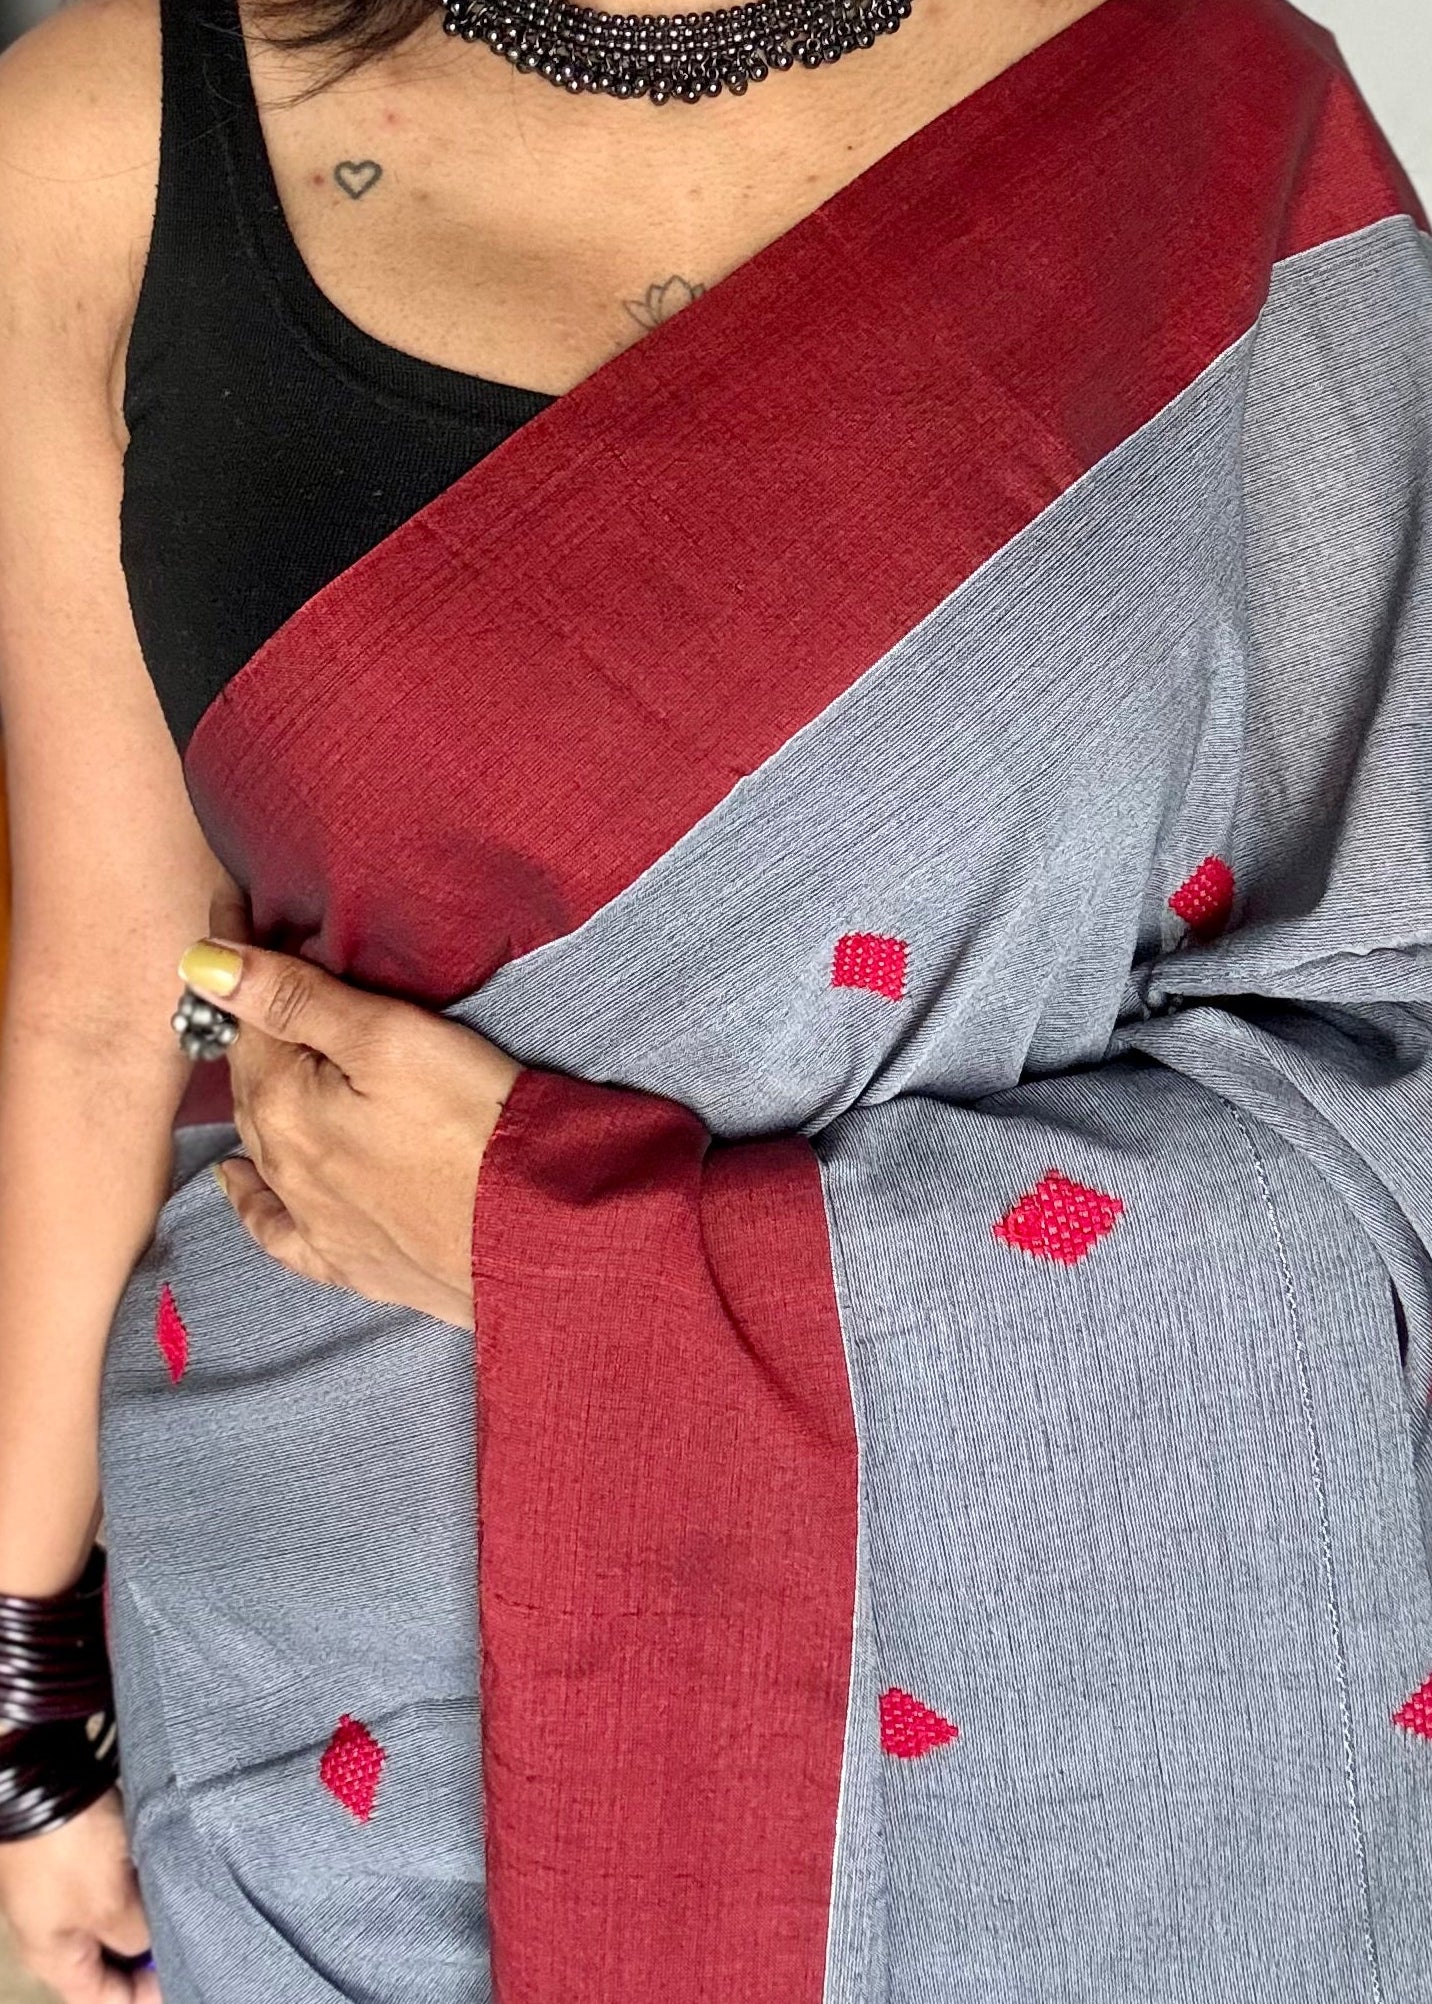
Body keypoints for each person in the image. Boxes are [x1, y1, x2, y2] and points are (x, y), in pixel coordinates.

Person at [1, 0, 1431, 1995]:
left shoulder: (1203, 109)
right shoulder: (106, 135)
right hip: (357, 1690)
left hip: (1061, 1700)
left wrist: (565, 1245)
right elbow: (99, 1001)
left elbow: (1391, 1032)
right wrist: (27, 1694)